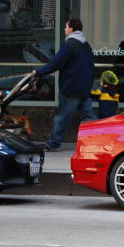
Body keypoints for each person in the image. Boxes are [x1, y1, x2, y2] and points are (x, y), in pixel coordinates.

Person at [33, 18, 96, 151]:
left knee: (62, 117)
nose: (64, 29)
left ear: (72, 29)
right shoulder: (86, 45)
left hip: (71, 87)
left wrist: (39, 72)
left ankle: (53, 144)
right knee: (90, 117)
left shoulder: (70, 44)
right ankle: (98, 141)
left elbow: (56, 63)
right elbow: (91, 66)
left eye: (66, 27)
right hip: (84, 88)